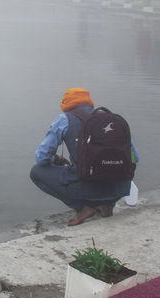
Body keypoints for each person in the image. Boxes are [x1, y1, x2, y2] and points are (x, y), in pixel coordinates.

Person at [30, 88, 137, 226]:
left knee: (37, 171)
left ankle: (83, 208)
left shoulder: (65, 120)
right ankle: (107, 205)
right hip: (120, 188)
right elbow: (135, 158)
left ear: (66, 105)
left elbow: (41, 158)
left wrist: (55, 161)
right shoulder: (112, 120)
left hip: (87, 187)